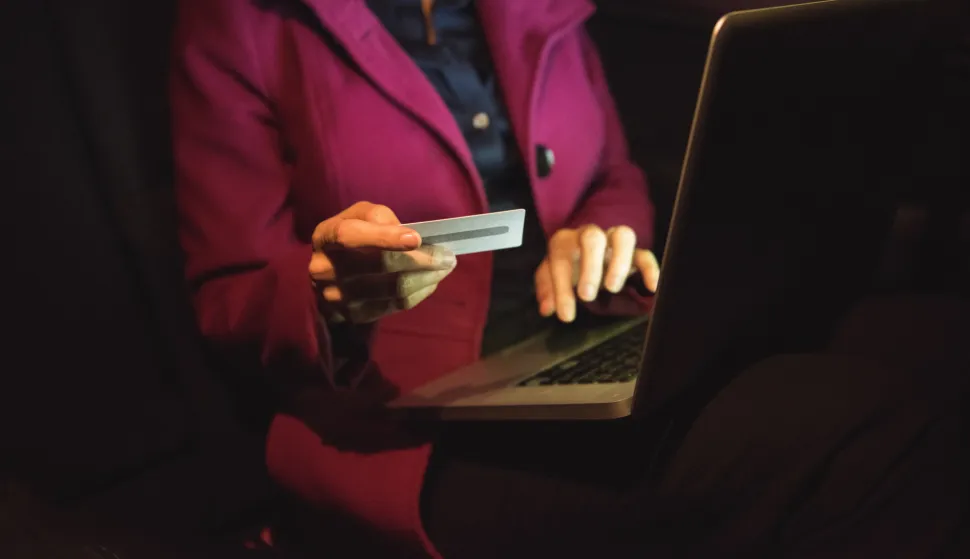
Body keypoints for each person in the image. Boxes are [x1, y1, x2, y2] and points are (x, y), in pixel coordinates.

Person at [171, 0, 968, 557]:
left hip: (586, 334)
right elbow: (230, 290)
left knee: (933, 344)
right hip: (414, 425)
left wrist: (599, 229)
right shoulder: (242, 21)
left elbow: (610, 173)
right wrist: (330, 294)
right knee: (865, 440)